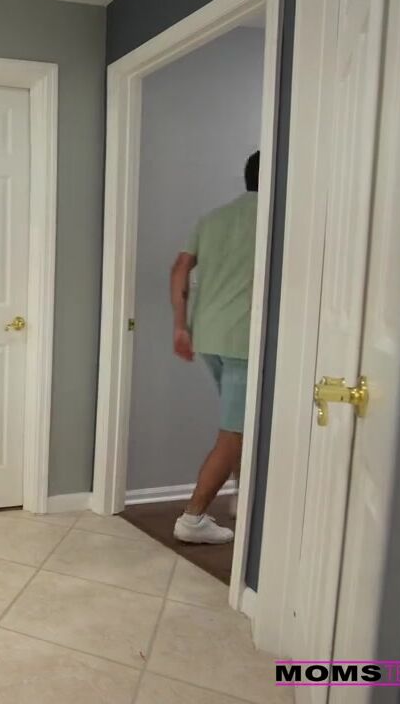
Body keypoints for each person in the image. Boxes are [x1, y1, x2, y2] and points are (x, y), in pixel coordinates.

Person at [169, 151, 259, 544]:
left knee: (241, 420)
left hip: (208, 336)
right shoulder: (278, 218)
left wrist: (180, 326)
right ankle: (193, 519)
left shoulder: (214, 218)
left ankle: (243, 495)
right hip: (243, 341)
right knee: (234, 431)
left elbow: (180, 268)